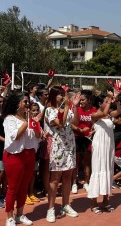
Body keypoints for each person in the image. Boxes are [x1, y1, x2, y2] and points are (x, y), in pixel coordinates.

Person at [3, 91, 41, 226]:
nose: (27, 104)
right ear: (17, 104)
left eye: (28, 102)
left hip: (29, 155)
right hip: (14, 156)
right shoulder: (9, 119)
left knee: (24, 186)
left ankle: (20, 214)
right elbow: (16, 136)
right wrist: (27, 122)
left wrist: (35, 124)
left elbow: (38, 135)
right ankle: (10, 217)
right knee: (13, 187)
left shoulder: (30, 119)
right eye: (25, 101)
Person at [44, 86, 80, 223]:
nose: (63, 97)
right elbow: (60, 124)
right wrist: (66, 107)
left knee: (67, 176)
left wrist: (74, 107)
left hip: (70, 146)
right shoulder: (49, 110)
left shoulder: (68, 108)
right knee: (55, 179)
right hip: (57, 146)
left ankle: (66, 205)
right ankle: (51, 208)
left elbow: (75, 122)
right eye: (60, 95)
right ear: (54, 96)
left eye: (64, 95)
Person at [87, 92, 121, 214]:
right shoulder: (95, 115)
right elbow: (104, 113)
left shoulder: (110, 115)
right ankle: (93, 202)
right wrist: (110, 98)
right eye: (105, 102)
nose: (108, 104)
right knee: (97, 170)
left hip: (109, 145)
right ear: (100, 104)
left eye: (108, 102)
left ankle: (106, 200)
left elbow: (119, 112)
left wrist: (116, 101)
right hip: (99, 146)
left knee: (108, 170)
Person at [71, 90, 96, 193]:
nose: (80, 102)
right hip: (77, 137)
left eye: (83, 100)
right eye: (80, 100)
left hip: (88, 139)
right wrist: (80, 130)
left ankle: (86, 182)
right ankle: (74, 183)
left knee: (87, 162)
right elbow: (72, 124)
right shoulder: (76, 109)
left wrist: (92, 131)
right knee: (76, 162)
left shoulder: (94, 110)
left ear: (89, 100)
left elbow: (96, 124)